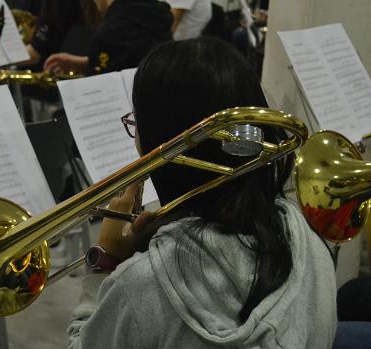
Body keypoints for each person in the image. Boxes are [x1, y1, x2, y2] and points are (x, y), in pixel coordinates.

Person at [67, 38, 337, 348]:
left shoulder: (138, 287)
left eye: (137, 124)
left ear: (159, 143)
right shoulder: (310, 241)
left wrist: (105, 261)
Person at [44, 0, 172, 75]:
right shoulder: (152, 12)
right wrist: (83, 63)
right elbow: (133, 59)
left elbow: (104, 84)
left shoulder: (111, 30)